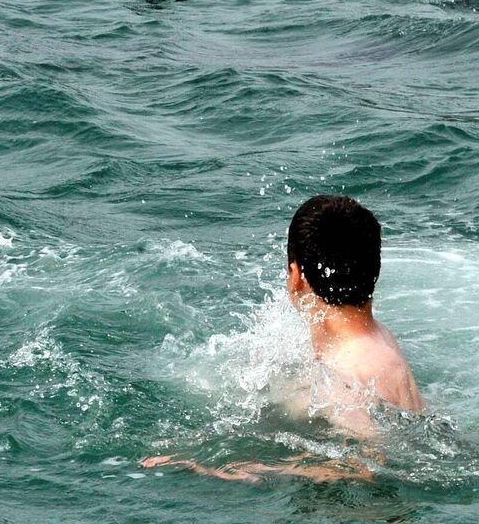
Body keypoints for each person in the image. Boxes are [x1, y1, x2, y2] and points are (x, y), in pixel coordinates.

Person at [141, 194, 422, 477]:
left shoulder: (344, 376)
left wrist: (248, 468)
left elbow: (368, 466)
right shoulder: (378, 339)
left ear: (295, 275)